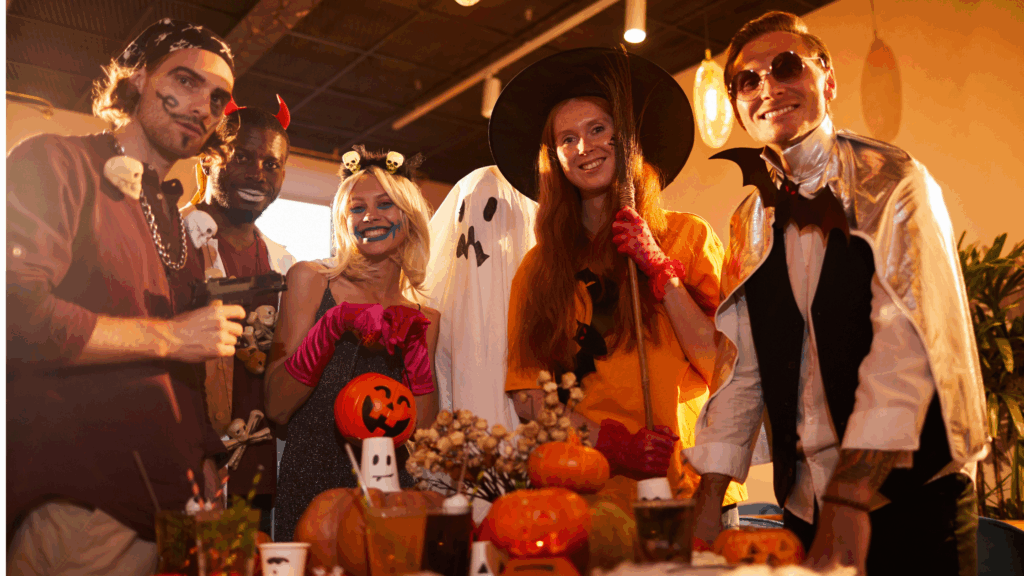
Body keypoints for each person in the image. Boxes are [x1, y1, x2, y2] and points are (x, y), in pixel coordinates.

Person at [685, 12, 988, 576]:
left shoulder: (896, 180)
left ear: (827, 79)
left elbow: (906, 347)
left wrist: (850, 498)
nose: (767, 88)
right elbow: (742, 369)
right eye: (746, 82)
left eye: (784, 67)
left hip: (910, 499)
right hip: (804, 507)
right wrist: (708, 502)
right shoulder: (748, 219)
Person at [7, 19, 242, 574]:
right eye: (184, 81)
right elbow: (16, 314)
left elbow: (174, 371)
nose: (201, 106)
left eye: (217, 98)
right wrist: (172, 336)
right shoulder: (56, 162)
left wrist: (204, 460)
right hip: (84, 506)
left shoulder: (170, 214)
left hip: (171, 506)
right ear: (137, 78)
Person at [493, 47, 746, 508]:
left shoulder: (687, 236)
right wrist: (611, 444)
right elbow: (530, 396)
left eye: (597, 129)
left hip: (691, 488)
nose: (583, 147)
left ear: (627, 138)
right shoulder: (537, 270)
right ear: (554, 157)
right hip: (584, 494)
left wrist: (662, 274)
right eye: (566, 139)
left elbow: (724, 367)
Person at [264, 146, 440, 542]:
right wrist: (329, 328)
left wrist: (416, 354)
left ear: (409, 218)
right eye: (356, 208)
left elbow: (424, 439)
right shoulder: (310, 280)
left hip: (393, 492)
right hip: (313, 488)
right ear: (344, 221)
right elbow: (277, 407)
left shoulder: (426, 318)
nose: (370, 216)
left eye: (385, 204)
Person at [182, 97, 297, 534]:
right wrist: (196, 453)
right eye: (243, 157)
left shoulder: (284, 264)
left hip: (256, 473)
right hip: (183, 468)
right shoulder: (173, 245)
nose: (258, 175)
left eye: (272, 164)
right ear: (209, 160)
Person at [416, 165, 538, 431]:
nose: (476, 231)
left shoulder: (537, 295)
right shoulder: (436, 305)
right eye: (465, 212)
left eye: (492, 213)